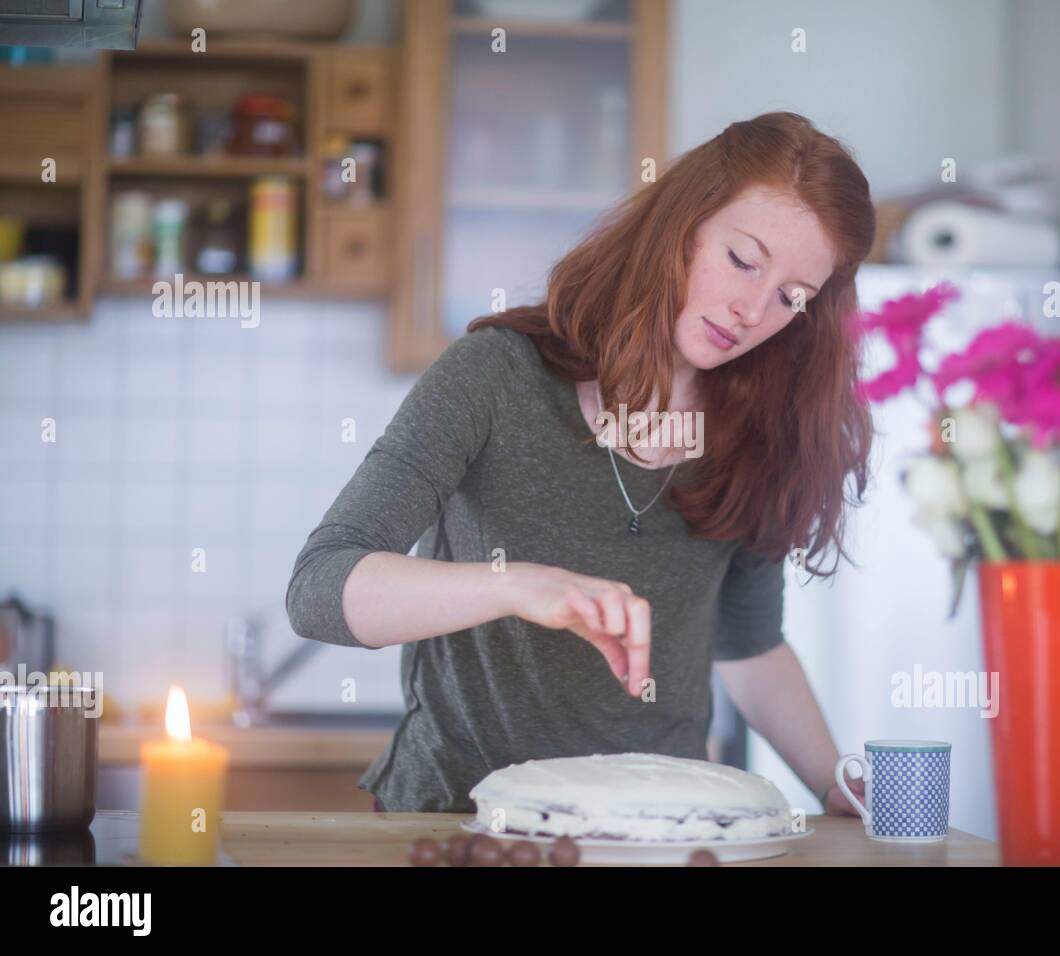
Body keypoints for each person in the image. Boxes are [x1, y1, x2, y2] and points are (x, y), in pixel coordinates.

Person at [286, 111, 874, 816]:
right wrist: (517, 586)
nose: (753, 309)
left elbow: (748, 646)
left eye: (791, 297)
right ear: (681, 226)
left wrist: (833, 784)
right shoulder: (495, 377)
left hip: (663, 833)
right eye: (743, 260)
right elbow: (319, 590)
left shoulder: (758, 432)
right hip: (456, 824)